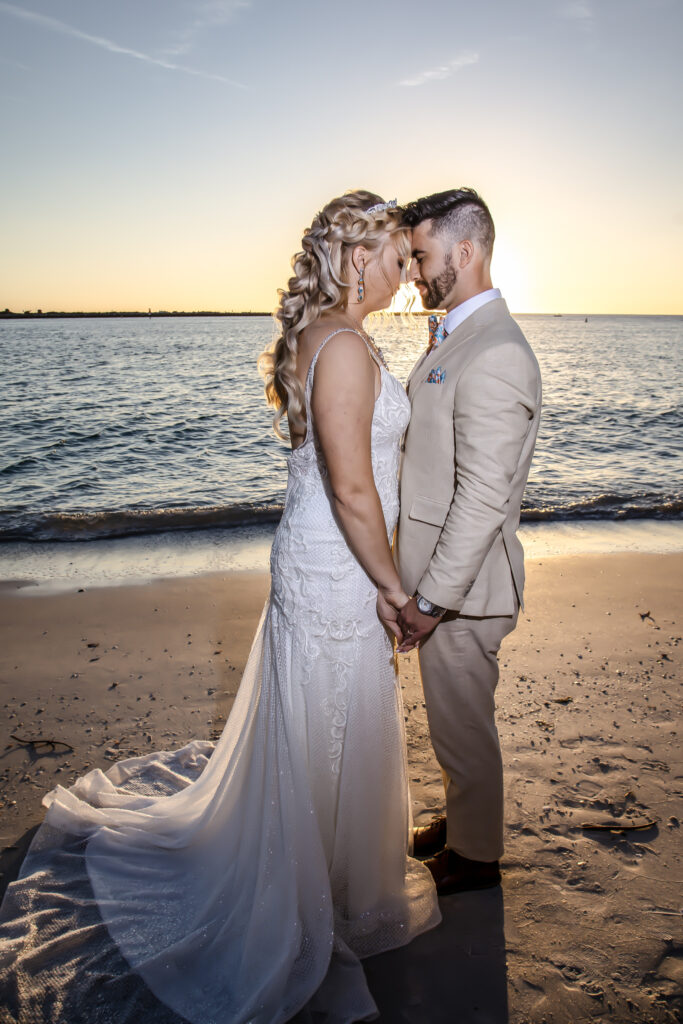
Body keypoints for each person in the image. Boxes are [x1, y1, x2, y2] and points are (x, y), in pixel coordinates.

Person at [0, 191, 439, 1024]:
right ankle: (319, 897)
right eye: (393, 258)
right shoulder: (344, 347)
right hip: (338, 560)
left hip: (315, 554)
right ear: (354, 260)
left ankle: (331, 876)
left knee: (329, 711)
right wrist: (394, 588)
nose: (405, 273)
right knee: (333, 709)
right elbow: (351, 488)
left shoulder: (322, 336)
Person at [395, 188, 542, 896]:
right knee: (454, 723)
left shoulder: (496, 353)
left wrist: (430, 598)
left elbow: (482, 496)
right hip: (451, 582)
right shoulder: (460, 335)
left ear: (465, 251)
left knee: (461, 728)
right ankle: (464, 823)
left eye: (421, 256)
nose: (413, 271)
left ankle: (476, 859)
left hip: (465, 589)